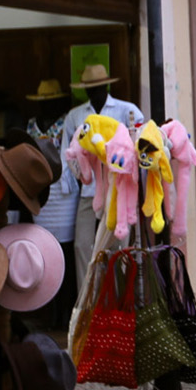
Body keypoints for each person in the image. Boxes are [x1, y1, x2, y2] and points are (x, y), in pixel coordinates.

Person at [58, 64, 146, 292]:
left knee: (119, 248)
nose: (94, 92)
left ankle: (119, 300)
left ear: (107, 86)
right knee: (82, 246)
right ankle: (88, 299)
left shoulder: (128, 111)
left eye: (98, 87)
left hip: (120, 193)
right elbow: (68, 154)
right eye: (90, 88)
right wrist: (78, 179)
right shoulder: (75, 116)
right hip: (89, 192)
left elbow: (143, 146)